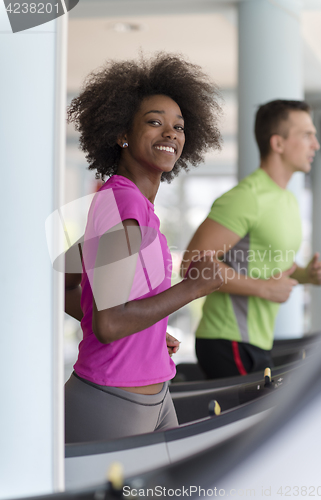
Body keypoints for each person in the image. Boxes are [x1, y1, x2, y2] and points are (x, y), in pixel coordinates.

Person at [64, 53, 224, 442]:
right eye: (154, 122)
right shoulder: (125, 208)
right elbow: (110, 324)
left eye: (178, 127)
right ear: (122, 133)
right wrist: (192, 288)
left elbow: (67, 284)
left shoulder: (127, 203)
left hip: (153, 394)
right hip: (113, 400)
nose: (171, 133)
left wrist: (147, 331)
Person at [181, 99, 321, 379]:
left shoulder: (286, 199)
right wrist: (263, 289)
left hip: (256, 341)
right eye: (307, 135)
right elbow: (192, 264)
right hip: (227, 340)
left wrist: (305, 274)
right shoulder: (247, 198)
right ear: (278, 143)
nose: (316, 145)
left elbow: (265, 265)